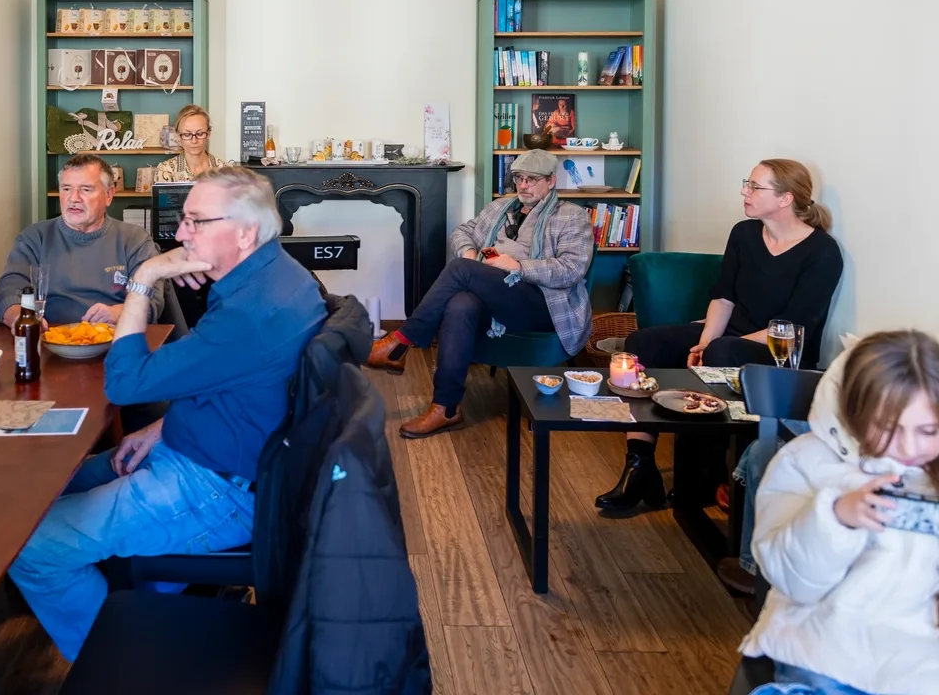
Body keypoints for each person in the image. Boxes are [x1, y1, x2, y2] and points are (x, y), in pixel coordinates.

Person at [7, 166, 326, 661]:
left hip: (220, 488)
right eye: (184, 220)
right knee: (46, 488)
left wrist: (143, 279)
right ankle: (139, 608)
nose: (179, 235)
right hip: (214, 450)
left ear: (245, 233)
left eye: (196, 221)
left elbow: (125, 384)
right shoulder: (281, 276)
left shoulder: (248, 315)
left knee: (32, 547)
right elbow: (239, 385)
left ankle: (115, 669)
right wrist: (161, 427)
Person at [597, 159, 843, 513]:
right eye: (748, 183)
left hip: (780, 352)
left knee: (723, 352)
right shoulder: (744, 233)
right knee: (644, 343)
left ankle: (706, 476)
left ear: (786, 198)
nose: (745, 191)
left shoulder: (822, 252)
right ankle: (639, 466)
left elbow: (792, 326)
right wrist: (706, 340)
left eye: (755, 186)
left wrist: (715, 346)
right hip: (727, 337)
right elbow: (723, 296)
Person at [739, 330, 939, 695]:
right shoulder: (805, 462)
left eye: (929, 430)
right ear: (854, 413)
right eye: (890, 429)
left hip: (918, 661)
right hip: (826, 648)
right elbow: (791, 579)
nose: (911, 447)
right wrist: (836, 517)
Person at [365, 149, 594, 438]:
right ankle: (446, 408)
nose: (523, 185)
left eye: (532, 180)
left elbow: (572, 269)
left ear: (551, 181)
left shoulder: (571, 216)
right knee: (461, 303)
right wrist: (472, 252)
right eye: (519, 178)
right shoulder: (501, 209)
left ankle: (400, 342)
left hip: (542, 304)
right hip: (498, 296)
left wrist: (520, 266)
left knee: (461, 270)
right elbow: (463, 231)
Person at [0, 153, 163, 328]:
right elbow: (8, 290)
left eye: (85, 189)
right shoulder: (34, 237)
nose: (74, 198)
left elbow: (152, 299)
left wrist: (119, 312)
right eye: (66, 188)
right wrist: (20, 318)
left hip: (114, 340)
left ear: (109, 195)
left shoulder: (135, 239)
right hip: (48, 338)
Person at [153, 105, 230, 182]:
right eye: (187, 135)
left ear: (208, 134)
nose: (194, 141)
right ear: (178, 136)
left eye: (200, 134)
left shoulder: (225, 170)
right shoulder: (165, 170)